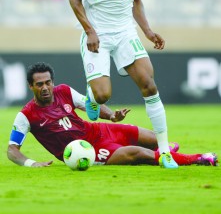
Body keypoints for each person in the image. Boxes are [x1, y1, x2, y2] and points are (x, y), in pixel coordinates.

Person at [69, 0, 180, 169]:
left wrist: (148, 31)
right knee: (103, 94)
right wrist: (90, 30)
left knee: (149, 85)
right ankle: (92, 97)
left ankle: (164, 152)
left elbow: (136, 0)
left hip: (125, 33)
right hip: (98, 34)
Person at [7, 62, 218, 168]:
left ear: (52, 81)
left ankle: (165, 148)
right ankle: (199, 159)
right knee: (139, 154)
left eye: (47, 82)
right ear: (31, 86)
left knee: (155, 138)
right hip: (87, 151)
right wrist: (32, 164)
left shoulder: (63, 91)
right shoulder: (26, 115)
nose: (45, 87)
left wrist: (111, 116)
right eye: (39, 84)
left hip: (99, 130)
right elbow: (12, 150)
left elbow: (92, 105)